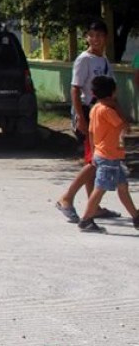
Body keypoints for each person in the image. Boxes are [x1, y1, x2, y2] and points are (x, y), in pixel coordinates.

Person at [56, 19, 118, 222]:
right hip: (87, 113)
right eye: (92, 35)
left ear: (106, 38)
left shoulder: (105, 61)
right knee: (94, 161)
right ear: (87, 37)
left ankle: (95, 206)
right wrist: (80, 118)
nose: (96, 39)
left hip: (100, 115)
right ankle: (67, 198)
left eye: (100, 35)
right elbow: (75, 89)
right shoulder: (84, 59)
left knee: (94, 161)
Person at [75, 76, 138, 233]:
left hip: (106, 155)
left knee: (123, 188)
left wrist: (94, 151)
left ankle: (136, 217)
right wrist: (116, 105)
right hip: (109, 156)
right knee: (100, 189)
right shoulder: (108, 110)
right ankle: (86, 219)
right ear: (113, 92)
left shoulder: (95, 108)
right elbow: (125, 127)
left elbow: (90, 132)